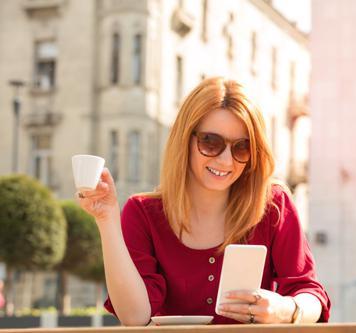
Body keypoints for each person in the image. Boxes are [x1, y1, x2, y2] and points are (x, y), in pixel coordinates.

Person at [77, 77, 331, 325]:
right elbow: (134, 317)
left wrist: (285, 309)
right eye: (211, 142)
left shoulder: (274, 205)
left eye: (242, 147)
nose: (226, 161)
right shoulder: (142, 213)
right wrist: (106, 219)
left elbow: (311, 295)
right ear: (184, 139)